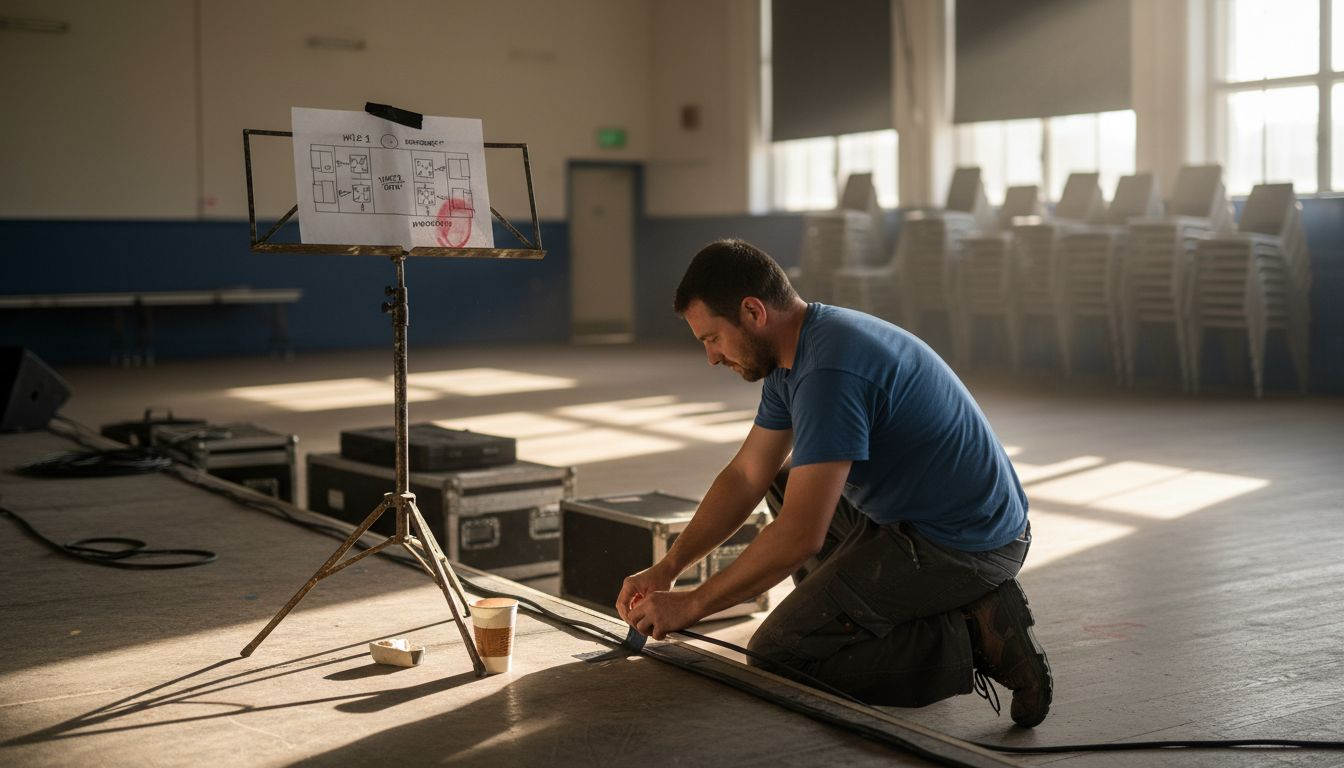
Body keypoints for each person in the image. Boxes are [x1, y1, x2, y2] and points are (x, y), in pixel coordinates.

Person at [616, 238, 1052, 727]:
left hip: (967, 545)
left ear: (753, 311)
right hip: (922, 515)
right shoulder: (796, 352)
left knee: (781, 657)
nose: (712, 358)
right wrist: (669, 568)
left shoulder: (829, 371)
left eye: (712, 338)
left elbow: (802, 535)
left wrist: (692, 605)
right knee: (782, 481)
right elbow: (746, 474)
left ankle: (974, 633)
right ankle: (850, 615)